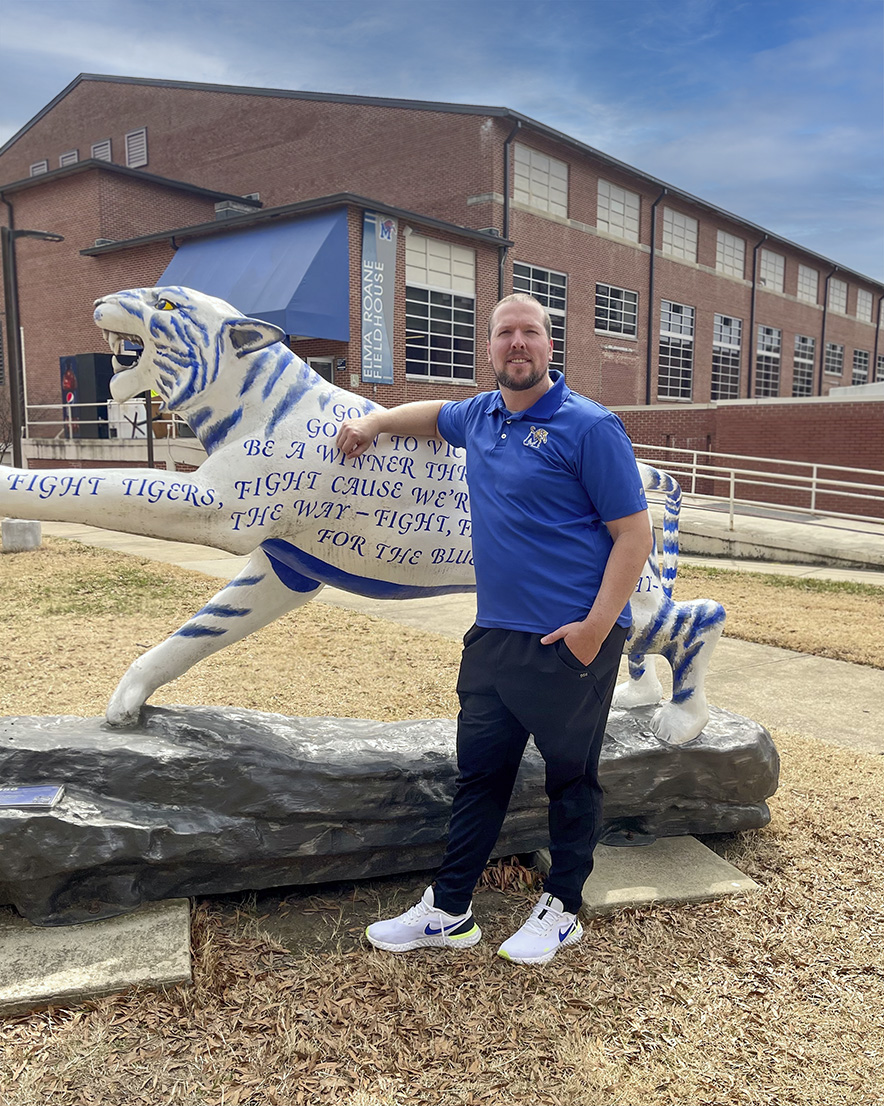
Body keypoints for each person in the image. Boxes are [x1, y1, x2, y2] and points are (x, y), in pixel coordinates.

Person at [335, 293, 652, 965]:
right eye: (505, 333)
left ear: (549, 345)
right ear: (490, 348)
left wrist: (593, 631)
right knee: (479, 776)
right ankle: (450, 909)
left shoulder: (591, 427)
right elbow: (433, 415)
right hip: (495, 635)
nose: (517, 343)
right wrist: (376, 421)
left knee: (572, 779)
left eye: (529, 332)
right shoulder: (480, 416)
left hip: (571, 641)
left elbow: (634, 536)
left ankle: (563, 907)